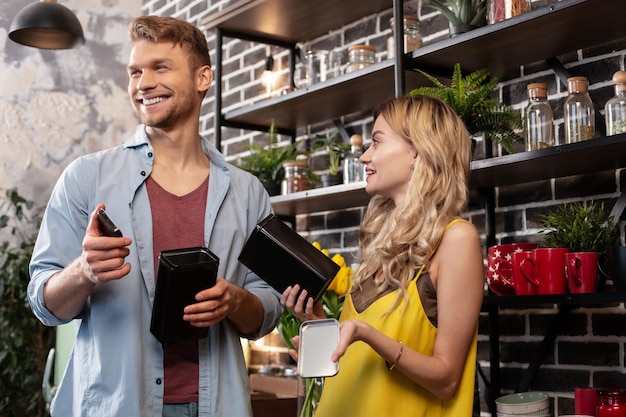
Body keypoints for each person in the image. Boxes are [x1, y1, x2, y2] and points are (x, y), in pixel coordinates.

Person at [28, 16, 283, 417]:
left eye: (160, 67)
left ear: (203, 78)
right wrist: (84, 271)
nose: (142, 83)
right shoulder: (86, 177)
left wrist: (235, 300)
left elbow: (267, 311)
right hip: (117, 406)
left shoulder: (247, 192)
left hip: (218, 406)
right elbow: (43, 302)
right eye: (135, 72)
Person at [282, 95, 484, 417]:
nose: (364, 156)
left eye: (376, 142)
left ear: (418, 151)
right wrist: (320, 329)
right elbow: (360, 363)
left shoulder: (456, 239)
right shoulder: (381, 242)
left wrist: (365, 334)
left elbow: (446, 379)